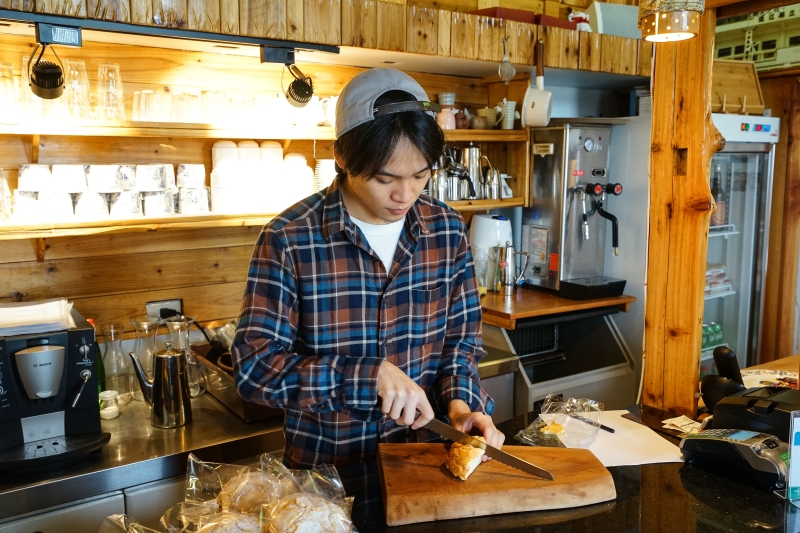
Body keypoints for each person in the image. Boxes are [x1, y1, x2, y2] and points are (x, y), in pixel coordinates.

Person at [231, 68, 503, 468]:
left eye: (421, 175)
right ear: (341, 156)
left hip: (425, 466)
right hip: (328, 479)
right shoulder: (290, 239)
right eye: (384, 178)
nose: (405, 194)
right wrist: (367, 376)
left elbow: (460, 347)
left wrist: (462, 406)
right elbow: (254, 369)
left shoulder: (445, 230)